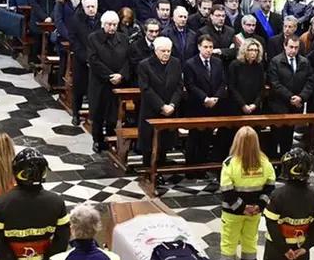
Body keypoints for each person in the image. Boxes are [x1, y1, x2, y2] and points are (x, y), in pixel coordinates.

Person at [218, 126, 276, 260]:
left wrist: (241, 208)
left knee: (228, 244)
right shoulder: (265, 163)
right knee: (250, 242)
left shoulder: (230, 163)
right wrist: (258, 206)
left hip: (232, 213)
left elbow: (227, 190)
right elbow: (270, 187)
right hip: (254, 214)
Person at [136, 36, 183, 168]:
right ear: (156, 51)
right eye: (163, 51)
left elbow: (179, 86)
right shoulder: (145, 65)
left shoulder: (176, 63)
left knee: (165, 142)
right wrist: (162, 106)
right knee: (149, 142)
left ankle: (162, 168)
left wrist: (172, 105)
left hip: (170, 109)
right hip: (152, 110)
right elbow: (145, 89)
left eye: (168, 51)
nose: (166, 54)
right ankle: (147, 168)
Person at [265, 35, 314, 160]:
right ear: (285, 46)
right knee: (275, 136)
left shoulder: (304, 62)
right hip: (278, 106)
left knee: (288, 137)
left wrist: (301, 97)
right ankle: (273, 162)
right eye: (291, 47)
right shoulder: (276, 61)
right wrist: (291, 97)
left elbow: (310, 81)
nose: (293, 50)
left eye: (296, 48)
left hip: (295, 107)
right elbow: (275, 83)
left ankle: (286, 162)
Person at [87, 10, 130, 152]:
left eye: (114, 25)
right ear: (103, 24)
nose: (112, 27)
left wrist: (121, 75)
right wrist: (110, 76)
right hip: (100, 83)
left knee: (113, 114)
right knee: (98, 113)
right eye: (109, 24)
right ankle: (97, 140)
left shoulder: (123, 39)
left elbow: (128, 61)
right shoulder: (93, 38)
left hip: (118, 83)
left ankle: (111, 138)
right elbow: (93, 61)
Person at [184, 34, 225, 165]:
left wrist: (216, 98)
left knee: (207, 137)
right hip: (197, 105)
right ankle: (191, 167)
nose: (208, 50)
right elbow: (190, 85)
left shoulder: (217, 62)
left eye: (211, 47)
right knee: (194, 137)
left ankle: (202, 166)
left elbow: (222, 82)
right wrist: (205, 98)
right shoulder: (190, 63)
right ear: (199, 47)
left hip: (213, 105)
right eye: (205, 47)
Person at [67, 0, 97, 125]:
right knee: (78, 88)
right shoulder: (75, 20)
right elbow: (74, 41)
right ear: (83, 7)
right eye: (88, 7)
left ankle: (93, 114)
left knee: (94, 90)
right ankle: (76, 114)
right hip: (81, 60)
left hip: (96, 61)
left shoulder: (101, 19)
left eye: (93, 7)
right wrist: (85, 58)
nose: (91, 9)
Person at [227, 38, 265, 116]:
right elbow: (232, 88)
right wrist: (243, 105)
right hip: (237, 107)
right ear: (244, 51)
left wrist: (255, 104)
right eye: (250, 50)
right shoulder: (235, 65)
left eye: (256, 50)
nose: (253, 53)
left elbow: (261, 88)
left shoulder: (259, 66)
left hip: (254, 107)